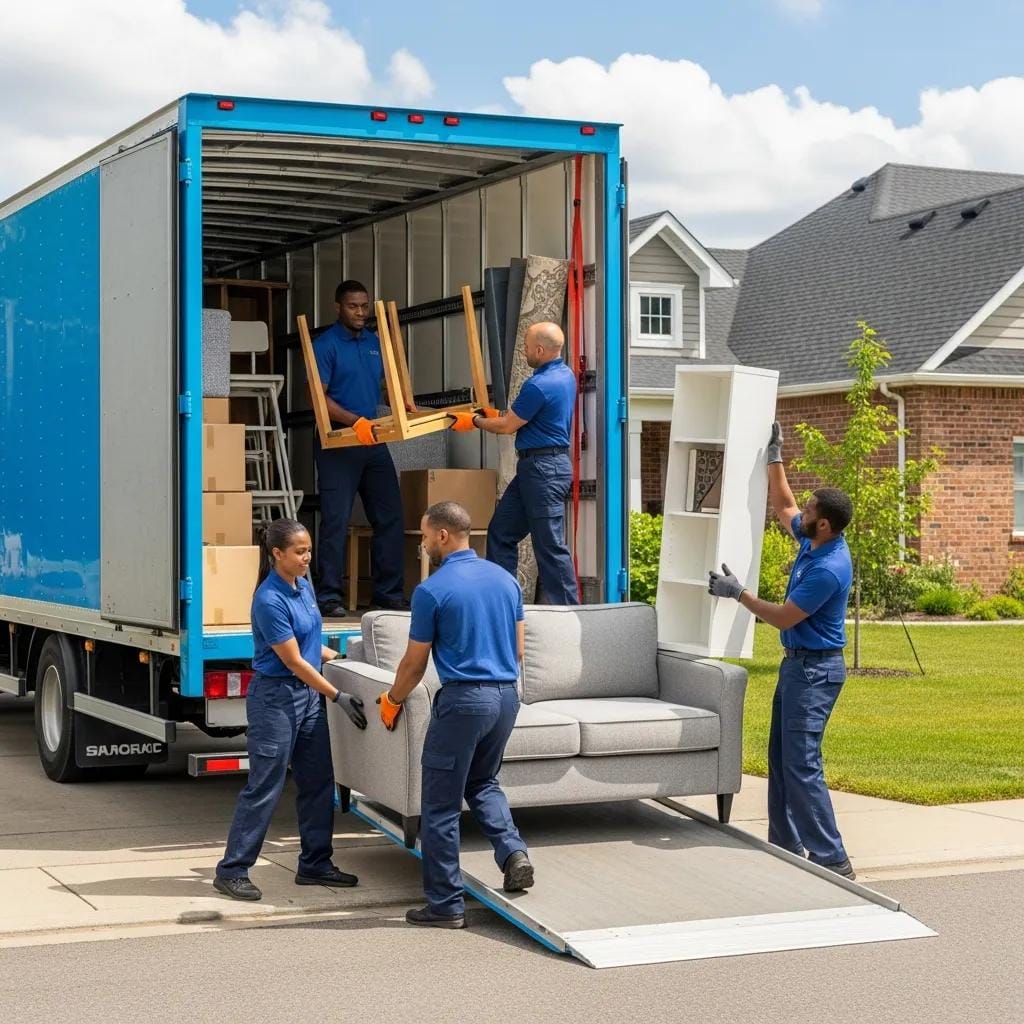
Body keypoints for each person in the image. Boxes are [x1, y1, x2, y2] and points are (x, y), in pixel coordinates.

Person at [707, 422, 856, 879]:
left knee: (802, 762)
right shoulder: (815, 540)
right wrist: (775, 456)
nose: (803, 510)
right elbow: (784, 504)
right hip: (798, 669)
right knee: (781, 758)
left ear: (824, 523)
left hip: (816, 673)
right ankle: (787, 846)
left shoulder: (828, 568)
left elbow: (784, 617)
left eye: (812, 509)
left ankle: (833, 858)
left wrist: (738, 594)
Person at [377, 501, 534, 928]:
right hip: (506, 698)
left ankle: (445, 905)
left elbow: (413, 665)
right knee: (483, 781)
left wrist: (391, 700)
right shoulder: (506, 581)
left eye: (426, 536)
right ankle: (513, 852)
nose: (423, 544)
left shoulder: (432, 590)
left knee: (441, 805)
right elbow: (519, 651)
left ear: (443, 536)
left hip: (464, 702)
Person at [214, 519, 369, 902]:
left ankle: (315, 863)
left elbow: (313, 646)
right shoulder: (269, 599)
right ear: (277, 554)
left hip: (307, 699)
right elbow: (295, 661)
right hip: (276, 699)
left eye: (309, 550)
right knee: (265, 785)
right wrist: (338, 695)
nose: (307, 558)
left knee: (318, 780)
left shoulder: (304, 587)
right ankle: (232, 869)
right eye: (299, 552)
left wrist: (349, 659)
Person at [451, 321, 579, 605]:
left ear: (540, 349)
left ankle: (570, 614)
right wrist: (493, 413)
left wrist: (474, 421)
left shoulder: (539, 384)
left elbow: (508, 426)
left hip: (543, 469)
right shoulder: (565, 375)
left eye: (526, 347)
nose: (524, 352)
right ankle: (503, 603)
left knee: (549, 545)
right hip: (537, 467)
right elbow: (526, 417)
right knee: (502, 532)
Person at [312, 279, 412, 618]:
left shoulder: (374, 343)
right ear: (338, 307)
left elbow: (384, 387)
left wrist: (402, 404)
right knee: (336, 521)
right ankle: (329, 596)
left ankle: (387, 594)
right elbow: (319, 397)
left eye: (364, 306)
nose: (360, 312)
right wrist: (354, 421)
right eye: (353, 306)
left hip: (372, 439)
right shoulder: (325, 345)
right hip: (339, 441)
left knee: (390, 516)